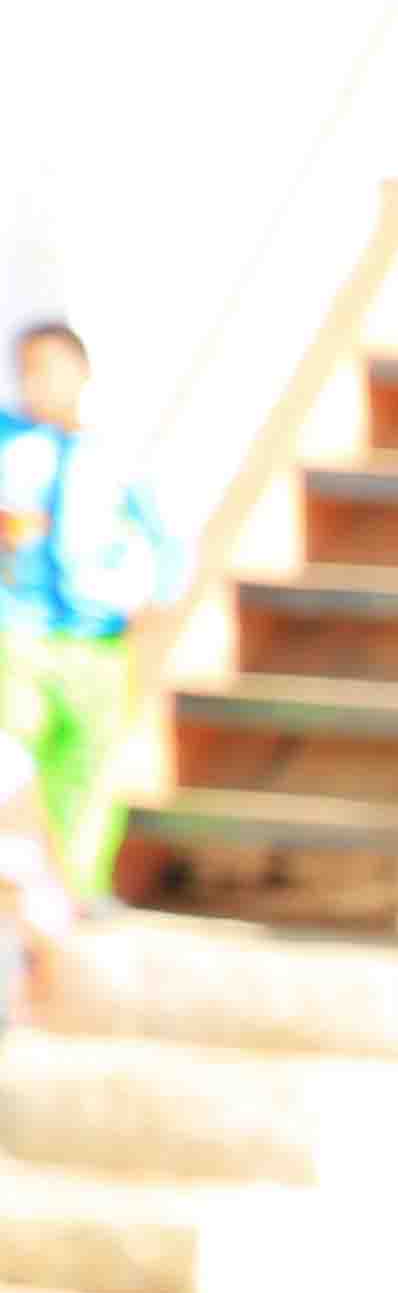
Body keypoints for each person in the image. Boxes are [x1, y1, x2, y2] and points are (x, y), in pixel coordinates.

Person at [2, 320, 174, 910]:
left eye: (48, 369)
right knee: (15, 752)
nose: (36, 384)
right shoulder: (8, 442)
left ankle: (72, 891)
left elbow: (166, 535)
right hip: (19, 627)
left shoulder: (114, 452)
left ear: (82, 373)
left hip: (96, 635)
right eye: (27, 370)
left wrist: (155, 606)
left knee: (89, 769)